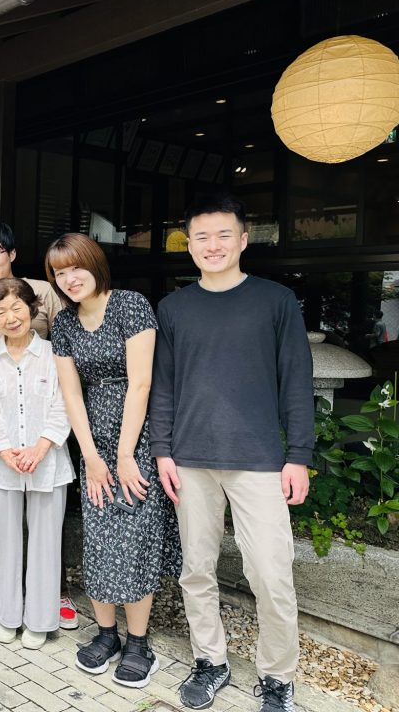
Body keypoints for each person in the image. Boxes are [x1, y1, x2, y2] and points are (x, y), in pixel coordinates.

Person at [150, 194, 313, 712]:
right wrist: (162, 450)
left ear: (243, 240)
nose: (213, 245)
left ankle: (278, 675)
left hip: (260, 459)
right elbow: (164, 387)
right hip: (190, 458)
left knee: (271, 572)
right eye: (202, 237)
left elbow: (297, 382)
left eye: (224, 235)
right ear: (189, 245)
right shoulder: (174, 308)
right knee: (196, 568)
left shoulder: (275, 301)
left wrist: (299, 454)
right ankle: (210, 661)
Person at [48, 232, 181, 689]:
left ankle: (140, 643)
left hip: (136, 436)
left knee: (136, 537)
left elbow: (141, 383)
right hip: (92, 442)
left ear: (95, 263)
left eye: (75, 267)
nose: (69, 278)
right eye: (59, 273)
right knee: (100, 536)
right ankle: (106, 634)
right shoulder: (63, 324)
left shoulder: (130, 305)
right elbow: (70, 391)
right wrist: (90, 456)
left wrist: (124, 454)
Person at [0, 221, 77, 628]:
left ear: (12, 255)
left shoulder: (44, 291)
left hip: (44, 410)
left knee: (47, 502)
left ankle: (51, 592)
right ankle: (7, 584)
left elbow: (65, 345)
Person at [0, 277, 74, 650]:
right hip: (4, 463)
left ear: (32, 309)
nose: (11, 317)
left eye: (17, 307)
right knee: (4, 539)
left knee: (47, 540)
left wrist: (40, 447)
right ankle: (8, 615)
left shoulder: (53, 352)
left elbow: (65, 402)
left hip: (47, 459)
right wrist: (4, 450)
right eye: (1, 311)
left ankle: (41, 619)